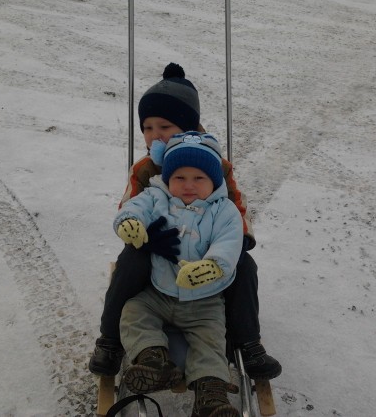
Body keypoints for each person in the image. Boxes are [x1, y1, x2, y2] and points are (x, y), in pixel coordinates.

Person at [89, 63, 281, 380]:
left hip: (208, 250)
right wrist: (141, 233)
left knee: (245, 266)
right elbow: (129, 205)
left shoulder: (215, 163)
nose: (154, 136)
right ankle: (110, 340)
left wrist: (238, 242)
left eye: (164, 127)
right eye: (147, 128)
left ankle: (247, 344)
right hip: (158, 252)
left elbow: (235, 206)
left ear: (187, 126)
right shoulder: (144, 168)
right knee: (132, 260)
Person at [115, 131, 242, 416]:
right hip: (158, 292)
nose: (188, 186)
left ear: (214, 181)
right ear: (168, 178)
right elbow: (135, 206)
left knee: (210, 341)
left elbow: (230, 242)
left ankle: (211, 396)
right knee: (133, 311)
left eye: (198, 178)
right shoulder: (157, 196)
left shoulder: (224, 210)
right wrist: (129, 220)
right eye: (180, 178)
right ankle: (153, 361)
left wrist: (213, 266)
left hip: (205, 301)